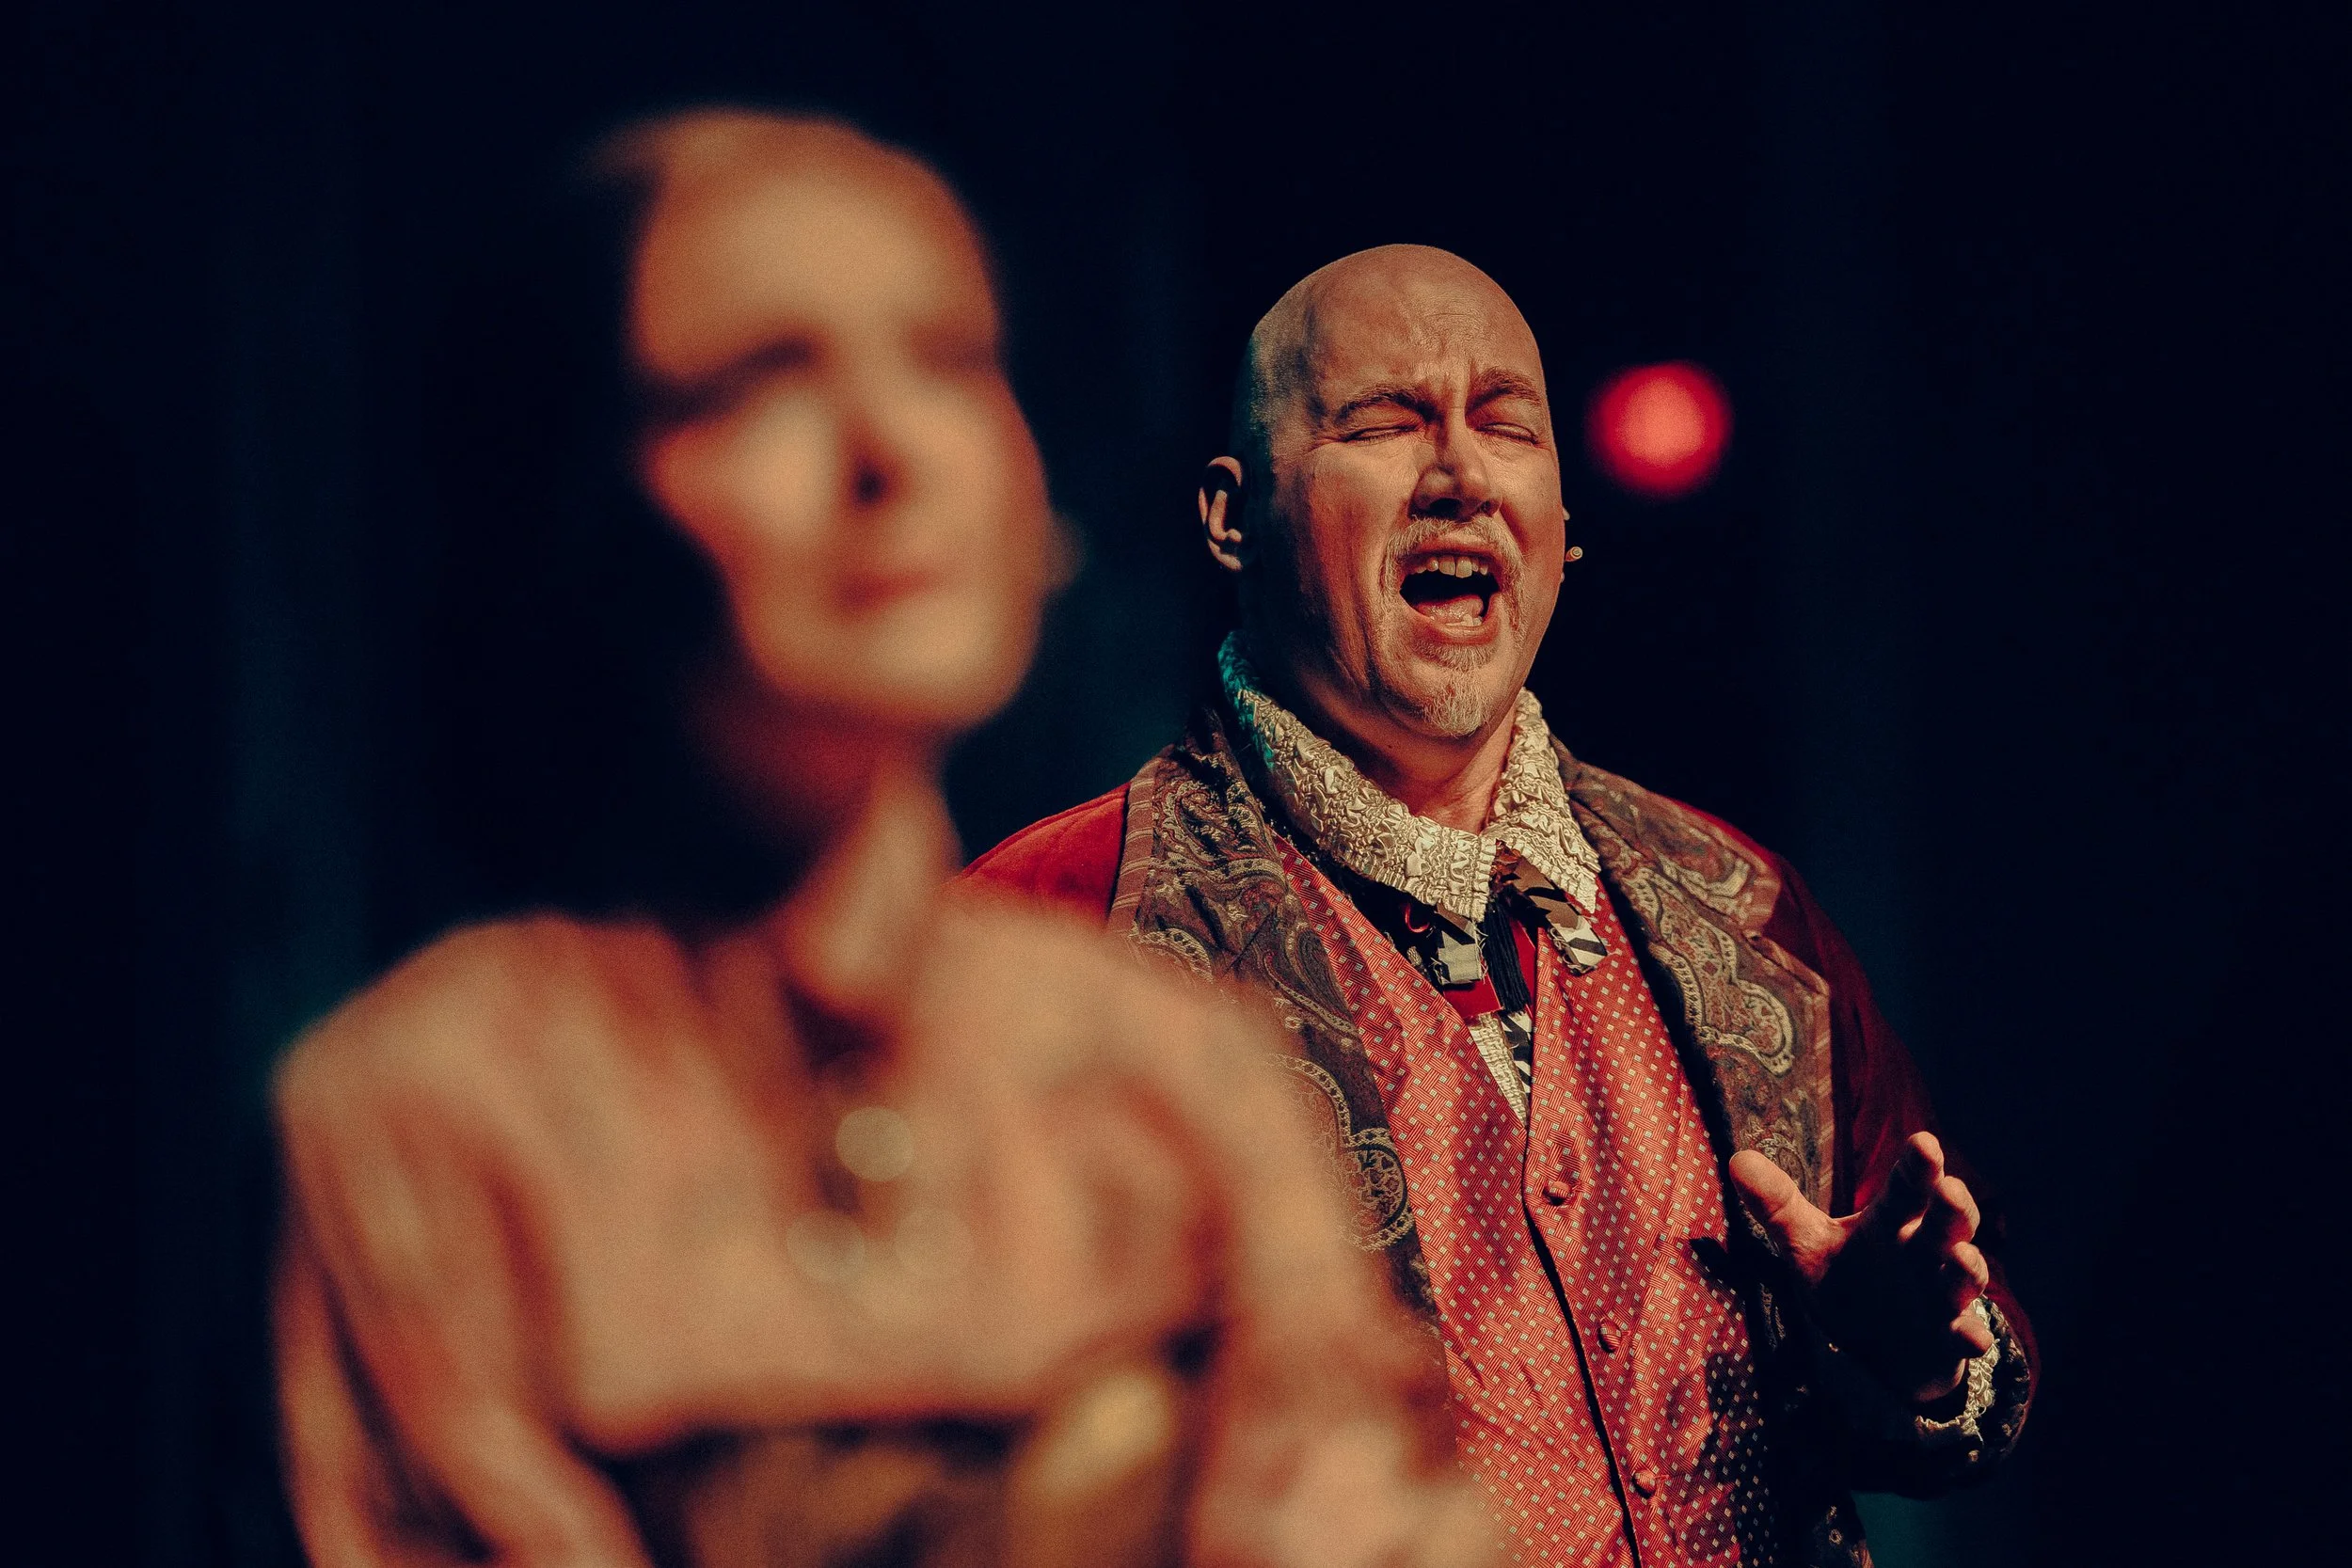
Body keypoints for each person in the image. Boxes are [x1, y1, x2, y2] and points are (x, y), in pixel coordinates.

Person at [272, 116, 1486, 1568]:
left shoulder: (1179, 1075)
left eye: (951, 360)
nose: (888, 451)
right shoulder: (431, 1123)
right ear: (579, 503)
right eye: (753, 383)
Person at [964, 245, 2036, 1568]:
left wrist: (1910, 1357)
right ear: (1233, 518)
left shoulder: (1740, 910)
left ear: (1563, 525)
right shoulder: (1045, 930)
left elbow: (1956, 1360)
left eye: (1507, 426)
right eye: (1385, 424)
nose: (1461, 476)